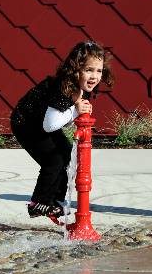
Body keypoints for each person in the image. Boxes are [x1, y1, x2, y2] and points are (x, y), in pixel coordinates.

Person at [10, 40, 113, 219]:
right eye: (89, 70)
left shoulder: (82, 88)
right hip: (26, 123)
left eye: (99, 70)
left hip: (40, 122)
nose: (94, 76)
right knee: (53, 160)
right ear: (76, 70)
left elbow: (59, 120)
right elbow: (50, 124)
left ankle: (56, 202)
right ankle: (39, 203)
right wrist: (75, 111)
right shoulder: (65, 88)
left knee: (67, 155)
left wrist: (75, 113)